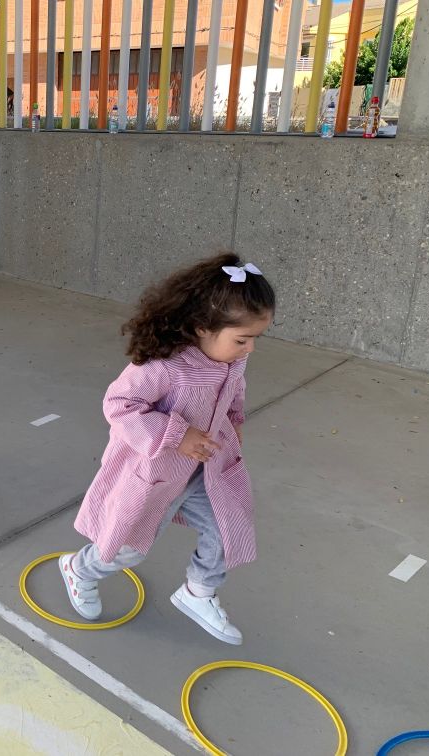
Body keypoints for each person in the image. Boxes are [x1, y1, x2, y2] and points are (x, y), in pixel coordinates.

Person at [60, 253, 275, 645]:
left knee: (227, 528)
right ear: (202, 327)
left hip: (204, 471)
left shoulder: (232, 361)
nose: (249, 350)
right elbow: (119, 405)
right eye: (242, 340)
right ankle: (79, 569)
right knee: (127, 550)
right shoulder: (165, 367)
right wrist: (179, 435)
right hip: (155, 474)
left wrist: (236, 421)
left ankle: (198, 592)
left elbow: (234, 392)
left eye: (255, 339)